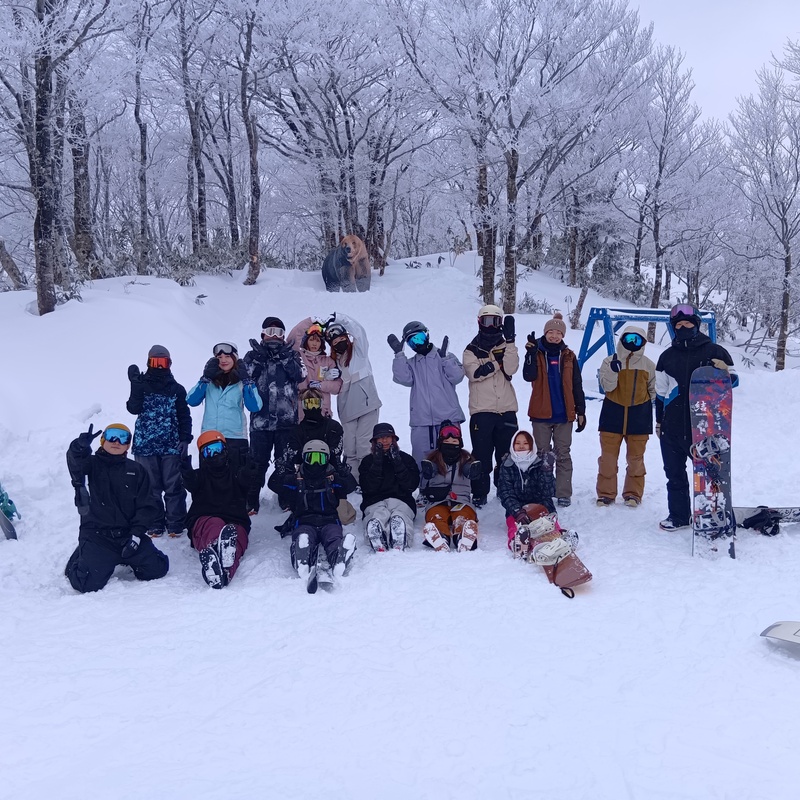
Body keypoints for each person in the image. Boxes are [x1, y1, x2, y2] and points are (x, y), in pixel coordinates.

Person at [655, 303, 738, 531]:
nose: (683, 327)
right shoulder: (666, 357)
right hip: (672, 427)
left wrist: (725, 372)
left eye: (688, 323)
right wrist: (659, 421)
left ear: (696, 325)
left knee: (712, 476)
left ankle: (717, 515)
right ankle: (679, 516)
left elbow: (733, 382)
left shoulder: (715, 351)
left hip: (704, 428)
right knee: (674, 474)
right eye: (678, 325)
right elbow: (660, 393)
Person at [64, 423, 169, 593]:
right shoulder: (89, 465)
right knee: (86, 584)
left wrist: (136, 535)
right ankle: (81, 555)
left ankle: (125, 556)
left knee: (157, 570)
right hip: (98, 537)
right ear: (102, 440)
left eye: (123, 438)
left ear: (128, 445)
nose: (116, 442)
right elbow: (75, 462)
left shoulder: (136, 470)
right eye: (112, 436)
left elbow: (147, 506)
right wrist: (79, 446)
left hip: (128, 535)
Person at [242, 317, 306, 514]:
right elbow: (244, 375)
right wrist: (259, 359)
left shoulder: (292, 355)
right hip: (260, 422)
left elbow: (301, 375)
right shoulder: (252, 355)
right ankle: (251, 499)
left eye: (279, 333)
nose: (274, 336)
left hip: (286, 421)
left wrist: (286, 358)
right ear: (263, 334)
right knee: (256, 462)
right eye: (270, 331)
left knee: (285, 461)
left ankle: (285, 497)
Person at [126, 344, 192, 537]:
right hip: (145, 446)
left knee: (174, 486)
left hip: (171, 446)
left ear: (170, 364)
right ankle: (154, 522)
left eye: (163, 362)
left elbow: (184, 415)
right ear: (149, 363)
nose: (160, 367)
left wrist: (185, 439)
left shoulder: (177, 389)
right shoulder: (141, 386)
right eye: (156, 362)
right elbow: (133, 409)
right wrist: (135, 387)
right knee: (150, 487)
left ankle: (176, 522)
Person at [182, 430, 260, 589]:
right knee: (215, 525)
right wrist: (186, 473)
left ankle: (224, 573)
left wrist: (250, 472)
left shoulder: (236, 473)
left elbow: (246, 481)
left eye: (217, 449)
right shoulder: (200, 476)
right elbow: (191, 483)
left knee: (236, 535)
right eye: (209, 451)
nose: (215, 455)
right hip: (205, 519)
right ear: (203, 456)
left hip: (236, 520)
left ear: (225, 449)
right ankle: (216, 550)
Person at [522, 312, 586, 508]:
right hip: (540, 413)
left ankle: (563, 492)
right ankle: (542, 490)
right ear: (545, 333)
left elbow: (577, 384)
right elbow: (528, 376)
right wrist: (530, 354)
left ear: (563, 335)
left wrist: (581, 411)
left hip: (564, 414)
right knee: (542, 455)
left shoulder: (569, 356)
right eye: (551, 332)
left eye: (558, 333)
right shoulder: (536, 352)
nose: (554, 336)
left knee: (563, 454)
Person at [277, 440, 358, 589]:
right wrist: (282, 470)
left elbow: (349, 487)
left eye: (319, 459)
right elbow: (276, 485)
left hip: (329, 521)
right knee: (304, 536)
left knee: (333, 537)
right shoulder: (297, 478)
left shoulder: (332, 477)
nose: (315, 463)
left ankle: (338, 556)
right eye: (311, 458)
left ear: (327, 459)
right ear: (304, 458)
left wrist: (344, 474)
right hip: (305, 521)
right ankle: (302, 555)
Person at [268, 387, 349, 535]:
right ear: (303, 406)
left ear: (321, 404)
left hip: (329, 477)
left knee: (344, 516)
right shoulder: (296, 430)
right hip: (305, 477)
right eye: (308, 403)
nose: (312, 407)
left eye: (315, 403)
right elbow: (293, 456)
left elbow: (336, 455)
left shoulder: (333, 427)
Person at [462, 305, 519, 507]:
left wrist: (510, 342)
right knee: (481, 455)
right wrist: (497, 363)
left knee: (506, 455)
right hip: (482, 410)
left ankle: (505, 489)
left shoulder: (506, 346)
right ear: (480, 322)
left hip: (506, 408)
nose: (491, 326)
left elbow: (511, 368)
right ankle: (480, 491)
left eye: (495, 322)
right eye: (487, 321)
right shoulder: (471, 349)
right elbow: (475, 374)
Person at [388, 320, 465, 467]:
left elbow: (457, 377)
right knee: (422, 461)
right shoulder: (411, 363)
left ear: (427, 335)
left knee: (450, 458)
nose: (417, 344)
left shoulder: (444, 356)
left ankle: (452, 481)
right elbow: (403, 378)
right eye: (412, 342)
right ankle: (424, 482)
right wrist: (399, 355)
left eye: (420, 338)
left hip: (447, 418)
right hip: (421, 420)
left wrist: (445, 359)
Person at [596, 326, 656, 507]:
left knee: (636, 460)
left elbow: (654, 391)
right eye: (629, 338)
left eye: (637, 340)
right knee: (608, 459)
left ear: (643, 342)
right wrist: (613, 371)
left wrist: (653, 409)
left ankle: (633, 494)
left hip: (639, 417)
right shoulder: (609, 361)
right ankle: (606, 494)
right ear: (622, 339)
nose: (632, 343)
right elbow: (607, 387)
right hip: (612, 415)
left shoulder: (648, 365)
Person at [186, 342, 262, 470]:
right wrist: (205, 379)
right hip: (210, 438)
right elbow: (191, 400)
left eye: (227, 356)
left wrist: (247, 381)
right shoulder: (209, 381)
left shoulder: (242, 382)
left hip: (235, 438)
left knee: (237, 478)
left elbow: (255, 406)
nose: (223, 360)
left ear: (235, 358)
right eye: (219, 357)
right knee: (210, 478)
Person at [325, 313, 382, 479]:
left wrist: (338, 317)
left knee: (364, 446)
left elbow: (359, 331)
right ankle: (353, 481)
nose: (339, 343)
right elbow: (329, 385)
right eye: (335, 342)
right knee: (349, 449)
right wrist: (328, 376)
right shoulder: (332, 362)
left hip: (367, 406)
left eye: (341, 339)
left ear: (347, 338)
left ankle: (366, 481)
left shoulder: (359, 351)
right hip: (347, 410)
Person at [419, 421, 482, 552]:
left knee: (462, 516)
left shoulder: (466, 460)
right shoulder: (433, 460)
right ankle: (440, 536)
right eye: (447, 442)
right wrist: (428, 472)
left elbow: (470, 472)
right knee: (437, 516)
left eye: (454, 442)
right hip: (438, 500)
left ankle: (463, 535)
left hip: (461, 500)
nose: (451, 445)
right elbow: (425, 481)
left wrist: (474, 471)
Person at [358, 422, 420, 551]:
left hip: (401, 500)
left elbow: (411, 486)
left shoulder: (406, 459)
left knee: (400, 516)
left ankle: (401, 536)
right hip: (375, 501)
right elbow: (368, 488)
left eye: (387, 437)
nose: (384, 441)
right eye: (380, 438)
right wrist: (377, 463)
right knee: (377, 515)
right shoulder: (367, 461)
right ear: (375, 441)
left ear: (393, 439)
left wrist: (398, 463)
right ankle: (375, 535)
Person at [496, 429, 556, 550]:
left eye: (525, 443)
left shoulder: (540, 463)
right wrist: (517, 511)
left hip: (541, 506)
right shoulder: (507, 465)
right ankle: (517, 542)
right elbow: (505, 492)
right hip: (517, 509)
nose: (521, 446)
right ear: (512, 445)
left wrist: (547, 471)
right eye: (517, 443)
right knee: (516, 526)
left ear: (531, 445)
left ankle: (556, 541)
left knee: (548, 525)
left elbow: (548, 492)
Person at [286, 318, 342, 419]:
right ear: (305, 341)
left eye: (318, 340)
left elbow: (338, 387)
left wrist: (321, 384)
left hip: (323, 413)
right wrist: (310, 321)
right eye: (311, 340)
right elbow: (291, 340)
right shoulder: (299, 357)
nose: (315, 343)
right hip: (302, 413)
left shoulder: (328, 361)